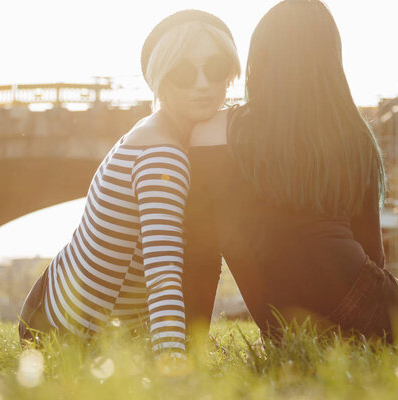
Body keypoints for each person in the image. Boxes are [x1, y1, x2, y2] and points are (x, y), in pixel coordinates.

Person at [182, 0, 398, 343]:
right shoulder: (354, 135)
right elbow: (373, 255)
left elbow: (201, 257)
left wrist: (187, 348)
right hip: (388, 315)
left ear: (261, 58)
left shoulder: (212, 134)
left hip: (286, 329)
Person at [18, 9, 241, 357]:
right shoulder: (162, 155)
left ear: (230, 73)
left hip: (49, 306)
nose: (202, 83)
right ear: (162, 80)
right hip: (72, 338)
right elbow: (163, 270)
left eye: (214, 68)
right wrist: (173, 362)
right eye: (184, 72)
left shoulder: (155, 129)